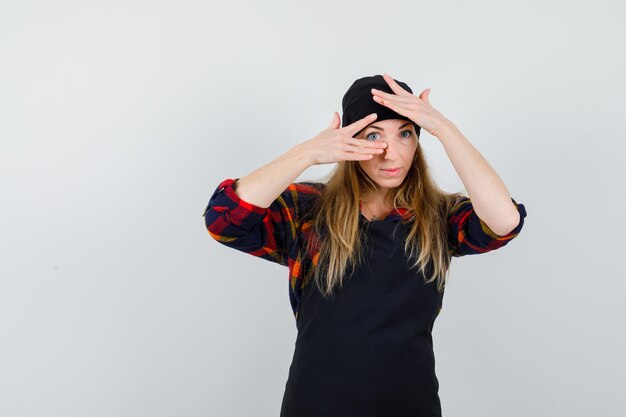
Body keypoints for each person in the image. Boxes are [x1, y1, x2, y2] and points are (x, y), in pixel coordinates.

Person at [202, 73, 527, 417]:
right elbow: (223, 220)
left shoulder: (438, 215)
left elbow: (504, 221)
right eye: (374, 135)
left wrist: (443, 128)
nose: (391, 153)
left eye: (405, 133)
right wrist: (308, 152)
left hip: (410, 405)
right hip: (316, 405)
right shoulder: (309, 210)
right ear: (349, 142)